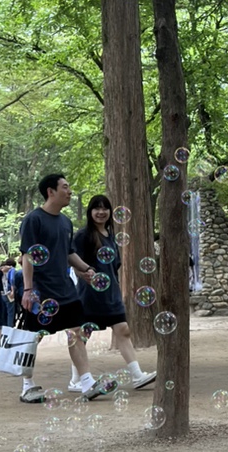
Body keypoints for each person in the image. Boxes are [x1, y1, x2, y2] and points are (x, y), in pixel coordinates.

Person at [17, 173, 106, 404]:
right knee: (32, 338)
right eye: (65, 187)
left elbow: (68, 253)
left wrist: (87, 269)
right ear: (51, 191)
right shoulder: (33, 220)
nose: (70, 191)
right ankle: (27, 386)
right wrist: (28, 290)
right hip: (39, 292)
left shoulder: (65, 222)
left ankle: (87, 382)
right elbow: (27, 255)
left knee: (76, 332)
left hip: (66, 290)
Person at [71, 196, 156, 392]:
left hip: (111, 292)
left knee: (123, 330)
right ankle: (75, 380)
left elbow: (114, 266)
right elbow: (73, 262)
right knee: (82, 336)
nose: (101, 212)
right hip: (90, 294)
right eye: (96, 208)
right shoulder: (83, 235)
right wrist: (83, 274)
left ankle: (137, 375)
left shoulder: (110, 235)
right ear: (90, 212)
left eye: (105, 208)